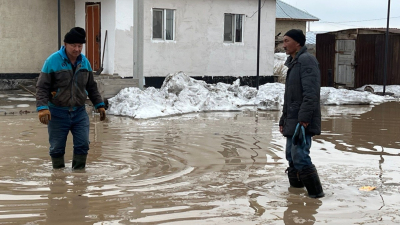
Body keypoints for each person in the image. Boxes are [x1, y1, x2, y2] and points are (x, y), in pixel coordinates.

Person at [36, 27, 106, 170]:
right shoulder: (52, 61)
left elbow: (91, 86)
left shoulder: (85, 62)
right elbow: (42, 87)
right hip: (57, 112)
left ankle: (79, 178)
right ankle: (58, 178)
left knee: (83, 144)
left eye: (80, 46)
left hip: (79, 112)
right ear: (65, 44)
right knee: (56, 147)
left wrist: (99, 104)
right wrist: (42, 108)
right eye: (73, 45)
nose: (77, 49)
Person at [279, 29, 324, 198]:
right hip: (292, 118)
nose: (284, 45)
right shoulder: (293, 62)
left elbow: (311, 94)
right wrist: (283, 119)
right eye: (283, 41)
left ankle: (316, 195)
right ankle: (296, 192)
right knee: (291, 155)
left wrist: (304, 119)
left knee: (300, 156)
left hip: (302, 120)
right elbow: (290, 96)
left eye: (286, 41)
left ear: (298, 42)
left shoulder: (307, 61)